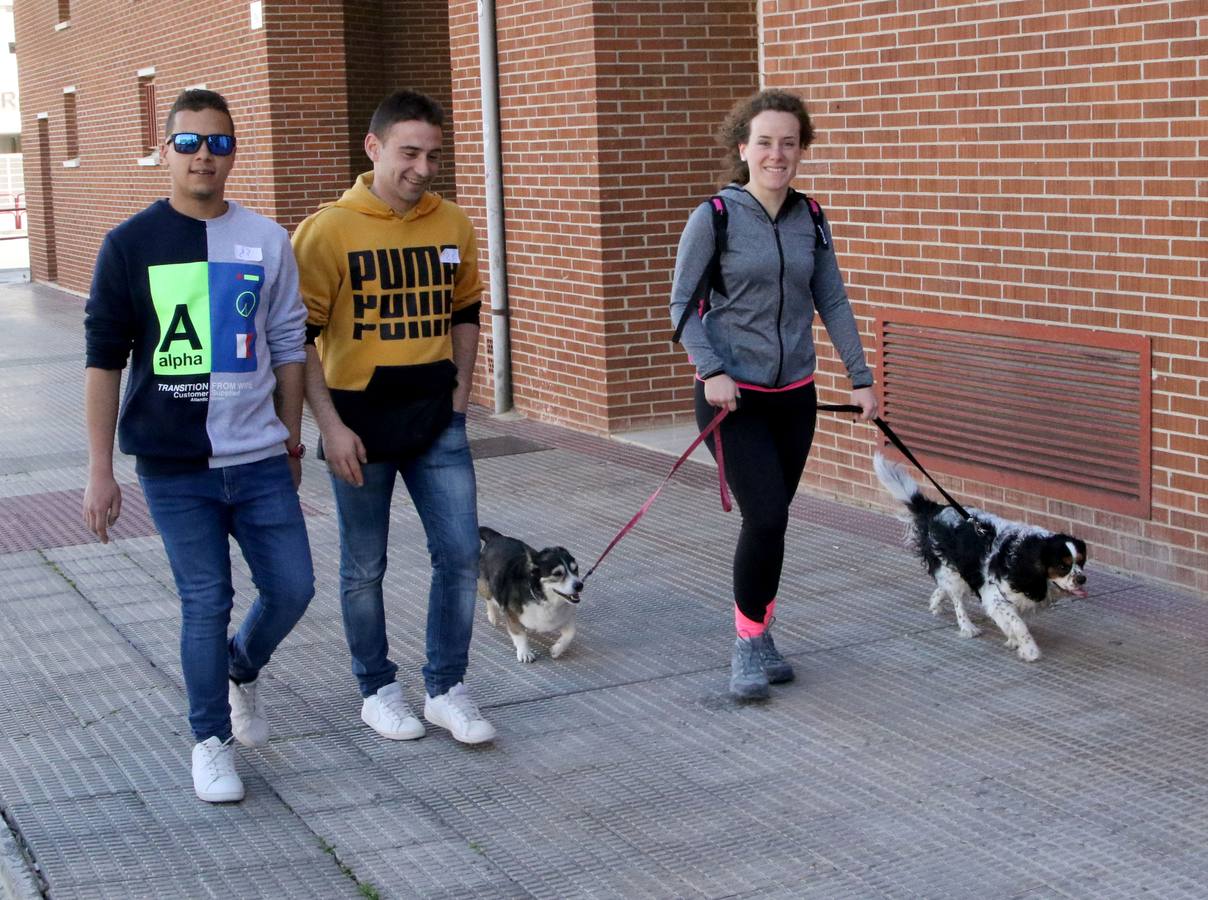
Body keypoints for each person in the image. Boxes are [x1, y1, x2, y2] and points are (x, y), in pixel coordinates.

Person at [82, 89, 314, 801]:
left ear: (233, 151)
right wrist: (99, 470)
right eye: (188, 143)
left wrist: (294, 436)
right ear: (165, 149)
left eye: (217, 142)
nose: (203, 156)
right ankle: (210, 740)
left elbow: (287, 345)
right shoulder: (129, 244)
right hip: (173, 466)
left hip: (260, 459)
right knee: (205, 599)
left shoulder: (267, 239)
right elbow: (103, 359)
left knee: (293, 588)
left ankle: (240, 667)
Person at [292, 89, 494, 745]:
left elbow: (466, 315)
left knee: (461, 554)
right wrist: (328, 427)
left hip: (438, 419)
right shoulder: (327, 232)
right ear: (374, 148)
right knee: (364, 568)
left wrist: (460, 399)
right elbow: (296, 341)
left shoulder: (452, 225)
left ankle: (446, 688)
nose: (423, 167)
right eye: (410, 152)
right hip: (358, 425)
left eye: (433, 154)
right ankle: (378, 691)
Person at [669, 89, 879, 701]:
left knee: (774, 523)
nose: (776, 153)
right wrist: (710, 368)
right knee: (766, 514)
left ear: (801, 149)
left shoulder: (811, 216)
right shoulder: (716, 216)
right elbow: (682, 305)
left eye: (788, 142)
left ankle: (761, 633)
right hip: (732, 397)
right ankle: (745, 644)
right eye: (765, 141)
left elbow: (832, 300)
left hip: (795, 397)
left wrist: (861, 377)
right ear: (744, 148)